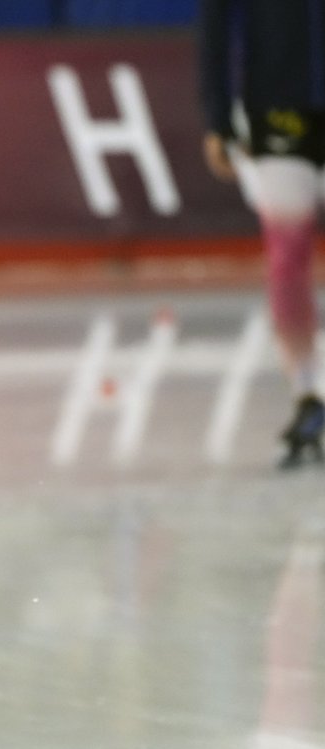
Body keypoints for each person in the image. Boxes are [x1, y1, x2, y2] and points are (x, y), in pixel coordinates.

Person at [199, 0, 325, 468]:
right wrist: (216, 115)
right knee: (288, 256)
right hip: (278, 106)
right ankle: (308, 393)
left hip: (277, 96)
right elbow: (215, 19)